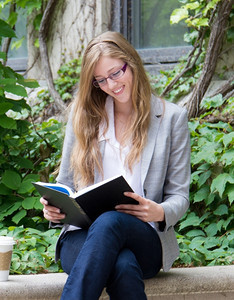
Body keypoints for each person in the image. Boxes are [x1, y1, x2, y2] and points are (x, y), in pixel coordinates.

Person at [40, 31, 190, 300]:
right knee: (122, 265)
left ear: (131, 62)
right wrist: (55, 207)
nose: (111, 84)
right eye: (100, 80)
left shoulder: (171, 119)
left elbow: (180, 196)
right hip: (82, 237)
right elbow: (65, 184)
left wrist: (158, 211)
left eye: (116, 73)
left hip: (143, 236)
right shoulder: (83, 116)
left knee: (111, 221)